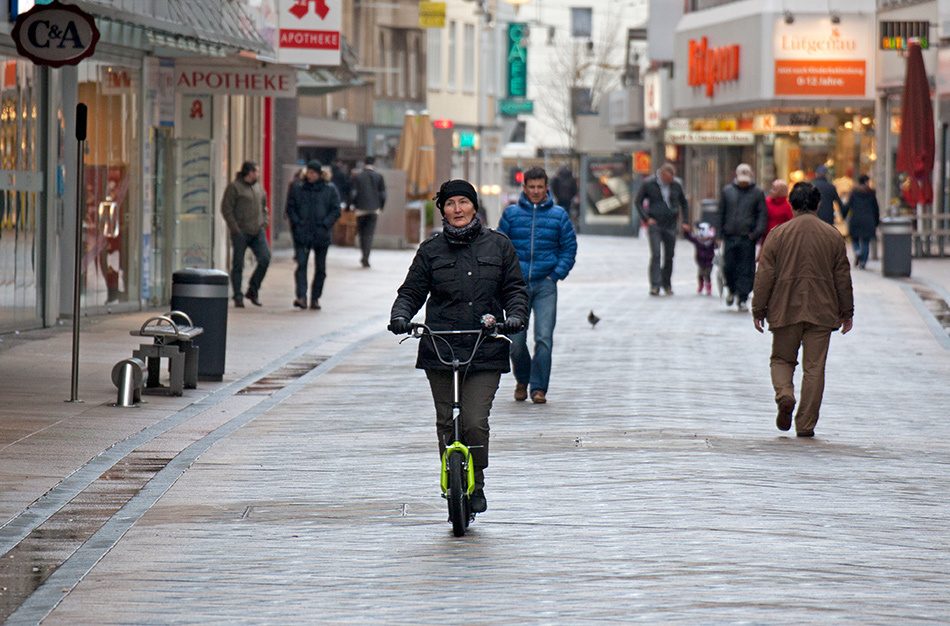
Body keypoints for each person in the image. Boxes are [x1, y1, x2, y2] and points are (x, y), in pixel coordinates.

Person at [390, 179, 528, 514]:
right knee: (445, 422)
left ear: (474, 206)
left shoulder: (498, 246)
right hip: (441, 347)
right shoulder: (431, 250)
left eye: (463, 203)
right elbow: (411, 291)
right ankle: (452, 483)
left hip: (485, 346)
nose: (457, 210)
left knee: (474, 421)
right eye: (450, 204)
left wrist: (516, 316)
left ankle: (476, 482)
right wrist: (400, 315)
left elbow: (515, 290)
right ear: (443, 211)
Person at [752, 181, 854, 438]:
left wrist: (758, 309)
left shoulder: (778, 234)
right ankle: (806, 424)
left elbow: (764, 275)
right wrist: (847, 311)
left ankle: (785, 394)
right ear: (819, 204)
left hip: (785, 307)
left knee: (781, 359)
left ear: (791, 204)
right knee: (815, 368)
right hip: (822, 310)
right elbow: (842, 276)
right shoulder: (832, 235)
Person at [498, 166, 578, 405]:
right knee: (516, 342)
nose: (535, 191)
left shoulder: (559, 215)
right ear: (524, 188)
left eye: (539, 187)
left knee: (544, 338)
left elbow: (569, 248)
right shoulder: (511, 215)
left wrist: (555, 275)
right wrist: (505, 276)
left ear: (546, 188)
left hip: (545, 284)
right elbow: (499, 247)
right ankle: (522, 378)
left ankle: (538, 388)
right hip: (517, 287)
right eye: (531, 187)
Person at [285, 159, 342, 310]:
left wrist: (326, 223)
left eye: (312, 173)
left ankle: (315, 298)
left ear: (319, 174)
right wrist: (297, 223)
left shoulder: (329, 189)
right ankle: (301, 297)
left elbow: (336, 210)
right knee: (301, 265)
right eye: (308, 172)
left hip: (321, 234)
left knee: (321, 268)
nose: (309, 175)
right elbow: (290, 208)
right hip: (302, 234)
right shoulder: (298, 188)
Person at [716, 163, 768, 311]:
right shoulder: (727, 191)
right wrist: (719, 235)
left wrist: (756, 233)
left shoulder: (757, 193)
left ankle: (743, 297)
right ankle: (732, 290)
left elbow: (761, 214)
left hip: (747, 237)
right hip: (730, 235)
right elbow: (721, 213)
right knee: (729, 266)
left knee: (746, 268)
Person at [634, 162, 690, 296]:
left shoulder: (676, 184)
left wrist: (685, 221)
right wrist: (647, 218)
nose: (671, 181)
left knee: (669, 255)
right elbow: (638, 201)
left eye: (672, 179)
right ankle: (655, 285)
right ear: (662, 175)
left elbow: (684, 202)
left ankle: (667, 283)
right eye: (668, 179)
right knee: (656, 254)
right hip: (655, 224)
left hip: (671, 224)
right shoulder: (649, 183)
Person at [221, 160, 270, 308]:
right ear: (249, 172)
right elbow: (226, 208)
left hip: (257, 231)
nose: (258, 174)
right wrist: (235, 228)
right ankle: (237, 295)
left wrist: (264, 223)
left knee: (265, 258)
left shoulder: (258, 188)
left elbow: (264, 207)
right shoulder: (235, 187)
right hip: (241, 232)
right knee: (238, 264)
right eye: (256, 171)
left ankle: (253, 289)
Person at [349, 156, 387, 268]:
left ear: (363, 164)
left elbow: (353, 193)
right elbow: (383, 194)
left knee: (361, 233)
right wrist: (381, 207)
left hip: (360, 209)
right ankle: (366, 257)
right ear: (374, 164)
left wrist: (351, 205)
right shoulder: (379, 176)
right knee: (369, 234)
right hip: (374, 209)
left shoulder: (357, 176)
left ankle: (364, 254)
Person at [841, 175, 880, 269]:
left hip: (856, 219)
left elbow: (848, 206)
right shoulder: (871, 193)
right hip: (868, 220)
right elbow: (876, 209)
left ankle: (857, 252)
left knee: (855, 239)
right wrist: (876, 222)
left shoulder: (854, 193)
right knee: (866, 242)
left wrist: (844, 215)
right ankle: (863, 262)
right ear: (866, 181)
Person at [682, 221, 716, 295]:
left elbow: (717, 244)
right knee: (700, 274)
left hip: (709, 261)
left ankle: (708, 285)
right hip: (700, 261)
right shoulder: (697, 241)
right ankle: (701, 284)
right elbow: (690, 238)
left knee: (707, 274)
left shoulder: (711, 242)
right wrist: (686, 232)